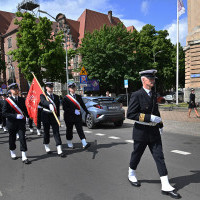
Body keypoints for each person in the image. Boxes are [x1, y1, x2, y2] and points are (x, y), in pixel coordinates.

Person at [127, 69, 181, 199]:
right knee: (137, 154)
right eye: (150, 79)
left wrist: (160, 124)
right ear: (143, 80)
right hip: (141, 132)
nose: (153, 81)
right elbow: (130, 114)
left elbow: (156, 112)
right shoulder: (137, 95)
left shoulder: (153, 94)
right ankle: (131, 173)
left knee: (159, 157)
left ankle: (165, 184)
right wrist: (148, 118)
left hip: (154, 132)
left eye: (153, 79)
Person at [2, 83, 31, 164]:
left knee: (22, 138)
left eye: (17, 89)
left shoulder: (22, 100)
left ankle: (24, 155)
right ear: (10, 91)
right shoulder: (7, 101)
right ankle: (12, 151)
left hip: (21, 123)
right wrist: (15, 116)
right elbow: (4, 113)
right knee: (12, 138)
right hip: (11, 123)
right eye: (14, 89)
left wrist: (28, 116)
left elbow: (25, 109)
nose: (16, 90)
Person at [62, 82, 91, 149]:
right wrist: (73, 111)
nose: (73, 89)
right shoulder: (66, 98)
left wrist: (87, 112)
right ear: (69, 89)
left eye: (74, 87)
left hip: (77, 116)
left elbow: (82, 105)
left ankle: (84, 143)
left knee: (80, 129)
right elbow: (65, 108)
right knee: (69, 130)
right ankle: (69, 142)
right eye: (72, 88)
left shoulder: (78, 96)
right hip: (69, 117)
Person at [40, 82, 65, 157]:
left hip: (54, 116)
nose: (51, 88)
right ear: (46, 88)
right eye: (49, 87)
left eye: (52, 87)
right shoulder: (43, 95)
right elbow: (43, 102)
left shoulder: (56, 97)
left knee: (56, 132)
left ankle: (59, 148)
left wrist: (58, 117)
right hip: (46, 115)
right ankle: (46, 145)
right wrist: (49, 104)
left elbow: (57, 108)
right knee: (46, 132)